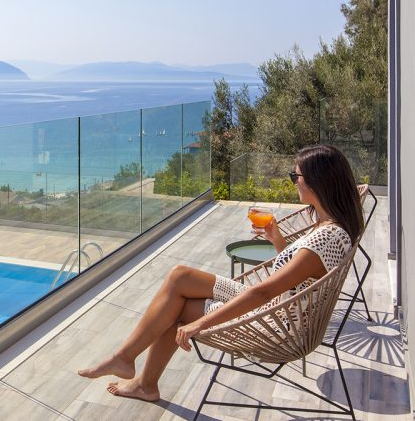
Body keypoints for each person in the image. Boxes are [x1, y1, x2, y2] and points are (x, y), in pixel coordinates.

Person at [78, 144, 364, 402]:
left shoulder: (325, 237)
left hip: (274, 322)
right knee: (179, 276)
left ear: (317, 182)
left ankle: (139, 376)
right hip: (278, 308)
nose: (293, 183)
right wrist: (277, 239)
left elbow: (263, 291)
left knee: (176, 309)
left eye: (295, 177)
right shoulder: (332, 226)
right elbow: (299, 275)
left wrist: (198, 325)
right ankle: (127, 362)